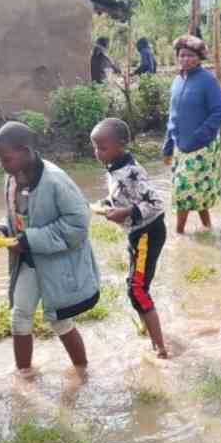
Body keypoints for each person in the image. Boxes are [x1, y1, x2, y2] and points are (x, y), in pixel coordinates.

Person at [0, 122, 100, 377]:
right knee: (20, 316)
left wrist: (29, 239)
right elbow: (15, 214)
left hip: (56, 265)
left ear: (25, 151)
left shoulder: (55, 180)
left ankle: (82, 371)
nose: (2, 165)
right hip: (27, 260)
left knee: (59, 320)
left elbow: (77, 224)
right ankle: (24, 375)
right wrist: (3, 229)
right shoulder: (11, 178)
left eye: (6, 159)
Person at [90, 118, 169, 358]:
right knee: (137, 285)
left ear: (121, 144)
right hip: (138, 234)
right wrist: (108, 203)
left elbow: (156, 203)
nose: (97, 153)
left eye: (103, 148)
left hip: (148, 233)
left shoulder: (132, 171)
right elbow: (125, 195)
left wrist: (126, 212)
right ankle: (148, 327)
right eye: (95, 147)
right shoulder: (114, 167)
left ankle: (160, 348)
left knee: (136, 289)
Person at [162, 35, 221, 234]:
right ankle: (208, 227)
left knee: (183, 190)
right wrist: (168, 145)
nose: (185, 59)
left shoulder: (208, 81)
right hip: (180, 144)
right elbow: (172, 115)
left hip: (202, 146)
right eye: (182, 55)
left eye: (190, 56)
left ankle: (178, 234)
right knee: (195, 188)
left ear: (199, 58)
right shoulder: (177, 81)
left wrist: (200, 136)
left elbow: (218, 113)